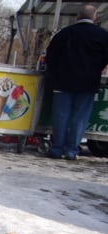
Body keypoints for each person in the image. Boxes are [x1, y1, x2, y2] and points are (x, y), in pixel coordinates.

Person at [45, 4, 108, 160]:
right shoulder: (102, 35)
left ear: (78, 16)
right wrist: (97, 69)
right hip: (88, 81)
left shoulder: (64, 34)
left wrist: (54, 73)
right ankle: (71, 150)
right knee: (80, 117)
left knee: (61, 115)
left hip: (62, 81)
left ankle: (57, 148)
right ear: (94, 17)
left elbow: (50, 55)